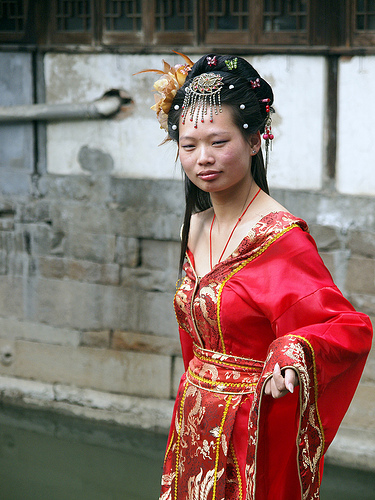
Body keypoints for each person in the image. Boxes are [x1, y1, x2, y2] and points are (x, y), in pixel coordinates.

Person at [138, 54, 373, 500]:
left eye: (218, 141)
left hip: (250, 428)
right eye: (189, 146)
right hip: (193, 420)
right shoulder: (193, 228)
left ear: (254, 141)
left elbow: (346, 327)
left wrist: (289, 353)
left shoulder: (279, 238)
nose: (203, 158)